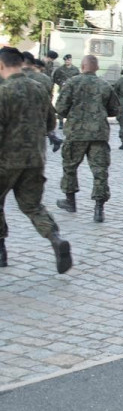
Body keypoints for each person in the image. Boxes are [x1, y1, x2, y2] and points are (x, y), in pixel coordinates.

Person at [0, 46, 72, 273]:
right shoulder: (39, 88)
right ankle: (55, 238)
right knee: (33, 206)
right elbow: (51, 123)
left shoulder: (3, 92)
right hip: (35, 159)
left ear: (1, 66)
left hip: (6, 160)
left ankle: (1, 250)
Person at [55, 54, 120, 222]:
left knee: (70, 166)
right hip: (98, 134)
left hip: (76, 133)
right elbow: (114, 110)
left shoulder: (72, 83)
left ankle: (70, 202)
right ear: (97, 68)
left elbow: (60, 109)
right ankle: (99, 209)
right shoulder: (105, 85)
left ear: (82, 67)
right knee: (100, 171)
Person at [22, 52, 62, 152]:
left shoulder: (11, 77)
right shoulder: (46, 79)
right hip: (38, 120)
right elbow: (49, 99)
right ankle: (54, 138)